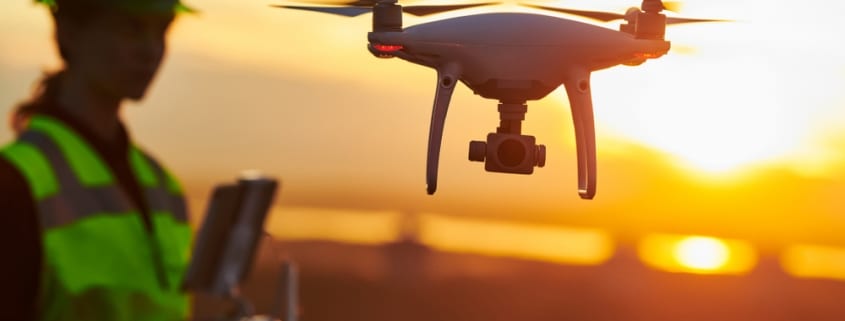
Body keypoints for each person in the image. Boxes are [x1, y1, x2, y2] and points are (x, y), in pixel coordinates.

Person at [0, 0, 195, 320]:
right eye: (131, 28)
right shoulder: (15, 181)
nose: (151, 50)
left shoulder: (163, 185)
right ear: (70, 32)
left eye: (162, 30)